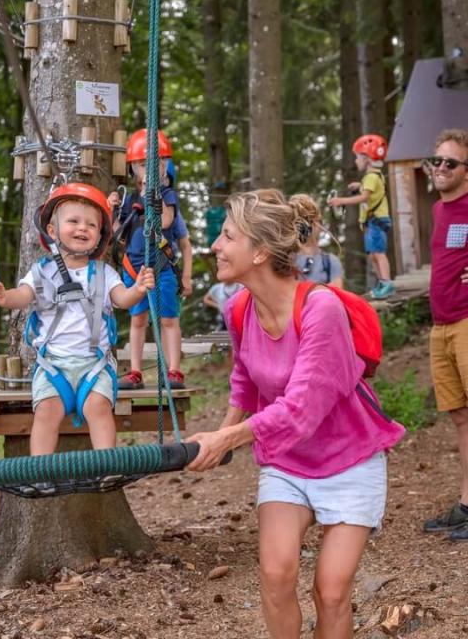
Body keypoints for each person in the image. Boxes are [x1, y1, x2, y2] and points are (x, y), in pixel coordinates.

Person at [186, 189, 405, 638]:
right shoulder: (239, 308)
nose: (217, 246)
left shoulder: (321, 308)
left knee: (331, 591)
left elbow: (301, 409)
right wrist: (221, 434)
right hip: (287, 461)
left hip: (350, 459)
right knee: (276, 575)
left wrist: (228, 440)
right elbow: (244, 376)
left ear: (261, 251)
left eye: (228, 236)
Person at [0, 183, 155, 457]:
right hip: (54, 365)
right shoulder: (42, 272)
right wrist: (6, 297)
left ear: (99, 236)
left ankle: (106, 466)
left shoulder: (104, 273)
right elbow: (24, 295)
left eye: (91, 225)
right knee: (46, 411)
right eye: (74, 221)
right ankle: (41, 469)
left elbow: (122, 299)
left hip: (94, 364)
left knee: (98, 407)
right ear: (52, 231)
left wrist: (138, 289)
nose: (82, 228)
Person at [108, 129, 193, 390]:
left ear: (165, 166)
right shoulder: (129, 200)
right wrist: (111, 209)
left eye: (155, 165)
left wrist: (153, 194)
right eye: (143, 165)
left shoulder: (166, 196)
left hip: (162, 266)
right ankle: (135, 371)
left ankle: (174, 370)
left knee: (168, 319)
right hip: (134, 269)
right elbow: (116, 235)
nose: (149, 170)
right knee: (138, 319)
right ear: (133, 168)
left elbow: (166, 221)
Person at [421, 128, 468, 542]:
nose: (439, 168)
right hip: (441, 325)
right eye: (436, 161)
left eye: (450, 162)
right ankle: (467, 504)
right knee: (460, 417)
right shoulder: (438, 211)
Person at [329, 134, 394, 299]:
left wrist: (340, 200)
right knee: (373, 255)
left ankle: (387, 283)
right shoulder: (372, 177)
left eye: (358, 157)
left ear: (368, 159)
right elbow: (371, 190)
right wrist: (359, 185)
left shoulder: (371, 177)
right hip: (373, 221)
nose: (356, 161)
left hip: (376, 221)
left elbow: (364, 197)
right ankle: (382, 283)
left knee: (378, 253)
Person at [291, 194, 344, 288]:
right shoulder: (285, 261)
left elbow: (337, 293)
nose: (310, 227)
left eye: (313, 222)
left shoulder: (330, 261)